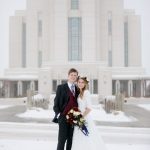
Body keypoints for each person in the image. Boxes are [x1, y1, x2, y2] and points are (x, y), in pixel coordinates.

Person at [71, 76, 107, 150]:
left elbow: (89, 108)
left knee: (86, 136)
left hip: (84, 117)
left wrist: (81, 117)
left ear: (85, 84)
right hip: (78, 117)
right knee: (78, 137)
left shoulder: (86, 93)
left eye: (82, 82)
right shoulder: (77, 93)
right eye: (79, 82)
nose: (80, 84)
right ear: (77, 83)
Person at [52, 68, 79, 150]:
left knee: (71, 140)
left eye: (75, 75)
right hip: (63, 116)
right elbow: (56, 102)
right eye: (72, 75)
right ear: (68, 76)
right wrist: (58, 113)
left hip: (74, 116)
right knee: (62, 140)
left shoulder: (78, 89)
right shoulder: (61, 87)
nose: (73, 77)